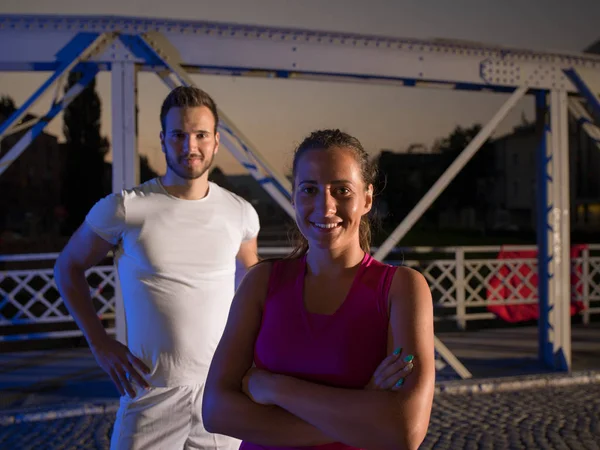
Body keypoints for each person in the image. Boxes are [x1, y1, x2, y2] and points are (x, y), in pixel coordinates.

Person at [54, 86, 260, 450]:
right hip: (150, 394)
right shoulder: (126, 208)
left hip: (220, 391)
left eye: (200, 135)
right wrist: (100, 343)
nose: (189, 146)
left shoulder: (241, 212)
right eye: (179, 135)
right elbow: (67, 267)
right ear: (163, 140)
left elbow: (251, 282)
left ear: (216, 141)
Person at [202, 129, 435, 450]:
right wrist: (362, 410)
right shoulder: (262, 282)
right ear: (294, 196)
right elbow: (216, 412)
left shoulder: (402, 288)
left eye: (342, 190)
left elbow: (404, 431)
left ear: (367, 198)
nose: (325, 207)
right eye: (309, 189)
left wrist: (275, 387)